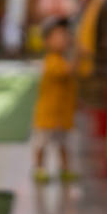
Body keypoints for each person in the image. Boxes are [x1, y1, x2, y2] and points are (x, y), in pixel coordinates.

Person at [32, 17, 79, 182]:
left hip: (62, 115)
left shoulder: (62, 60)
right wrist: (78, 53)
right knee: (41, 144)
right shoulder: (51, 61)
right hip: (48, 115)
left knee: (64, 145)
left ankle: (65, 168)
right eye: (59, 36)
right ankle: (39, 168)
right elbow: (66, 72)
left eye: (65, 35)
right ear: (47, 41)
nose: (64, 38)